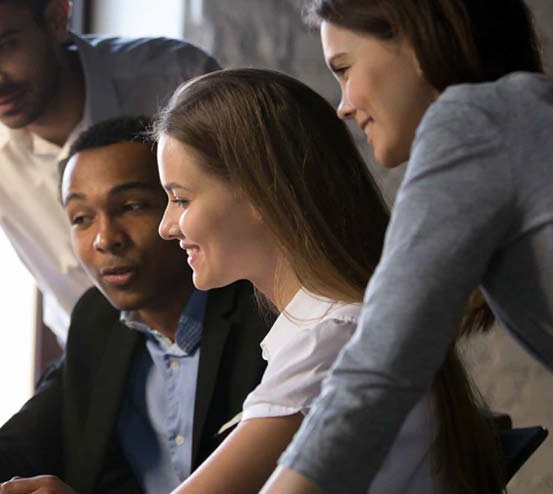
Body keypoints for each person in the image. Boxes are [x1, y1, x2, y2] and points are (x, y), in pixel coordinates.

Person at [0, 0, 219, 491]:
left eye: (3, 47)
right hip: (97, 356)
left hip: (218, 333)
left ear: (56, 16)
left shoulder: (174, 80)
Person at [0, 116, 270, 493]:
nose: (104, 238)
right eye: (80, 218)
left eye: (130, 206)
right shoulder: (98, 320)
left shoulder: (264, 313)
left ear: (179, 207)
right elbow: (20, 448)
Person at [154, 68, 501, 493]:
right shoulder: (335, 330)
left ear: (261, 191)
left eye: (181, 199)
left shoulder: (331, 340)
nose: (166, 226)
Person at [263, 1, 551, 492]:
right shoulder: (519, 112)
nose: (343, 105)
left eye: (345, 69)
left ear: (414, 42)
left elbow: (379, 369)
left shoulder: (470, 122)